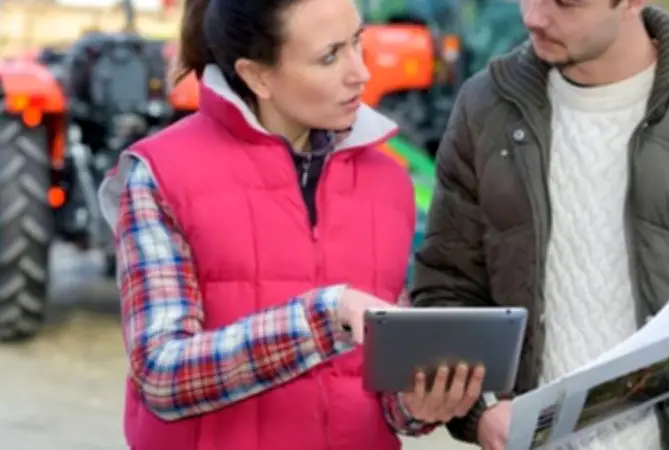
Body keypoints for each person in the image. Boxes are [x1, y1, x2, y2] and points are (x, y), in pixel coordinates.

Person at [411, 2, 669, 450]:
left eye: (565, 2)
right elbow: (447, 290)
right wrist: (480, 413)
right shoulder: (485, 108)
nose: (534, 17)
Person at [97, 0, 485, 449]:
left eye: (357, 42)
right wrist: (323, 316)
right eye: (330, 56)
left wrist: (418, 406)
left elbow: (381, 393)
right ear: (257, 75)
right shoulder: (159, 174)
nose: (360, 72)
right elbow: (161, 376)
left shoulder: (390, 183)